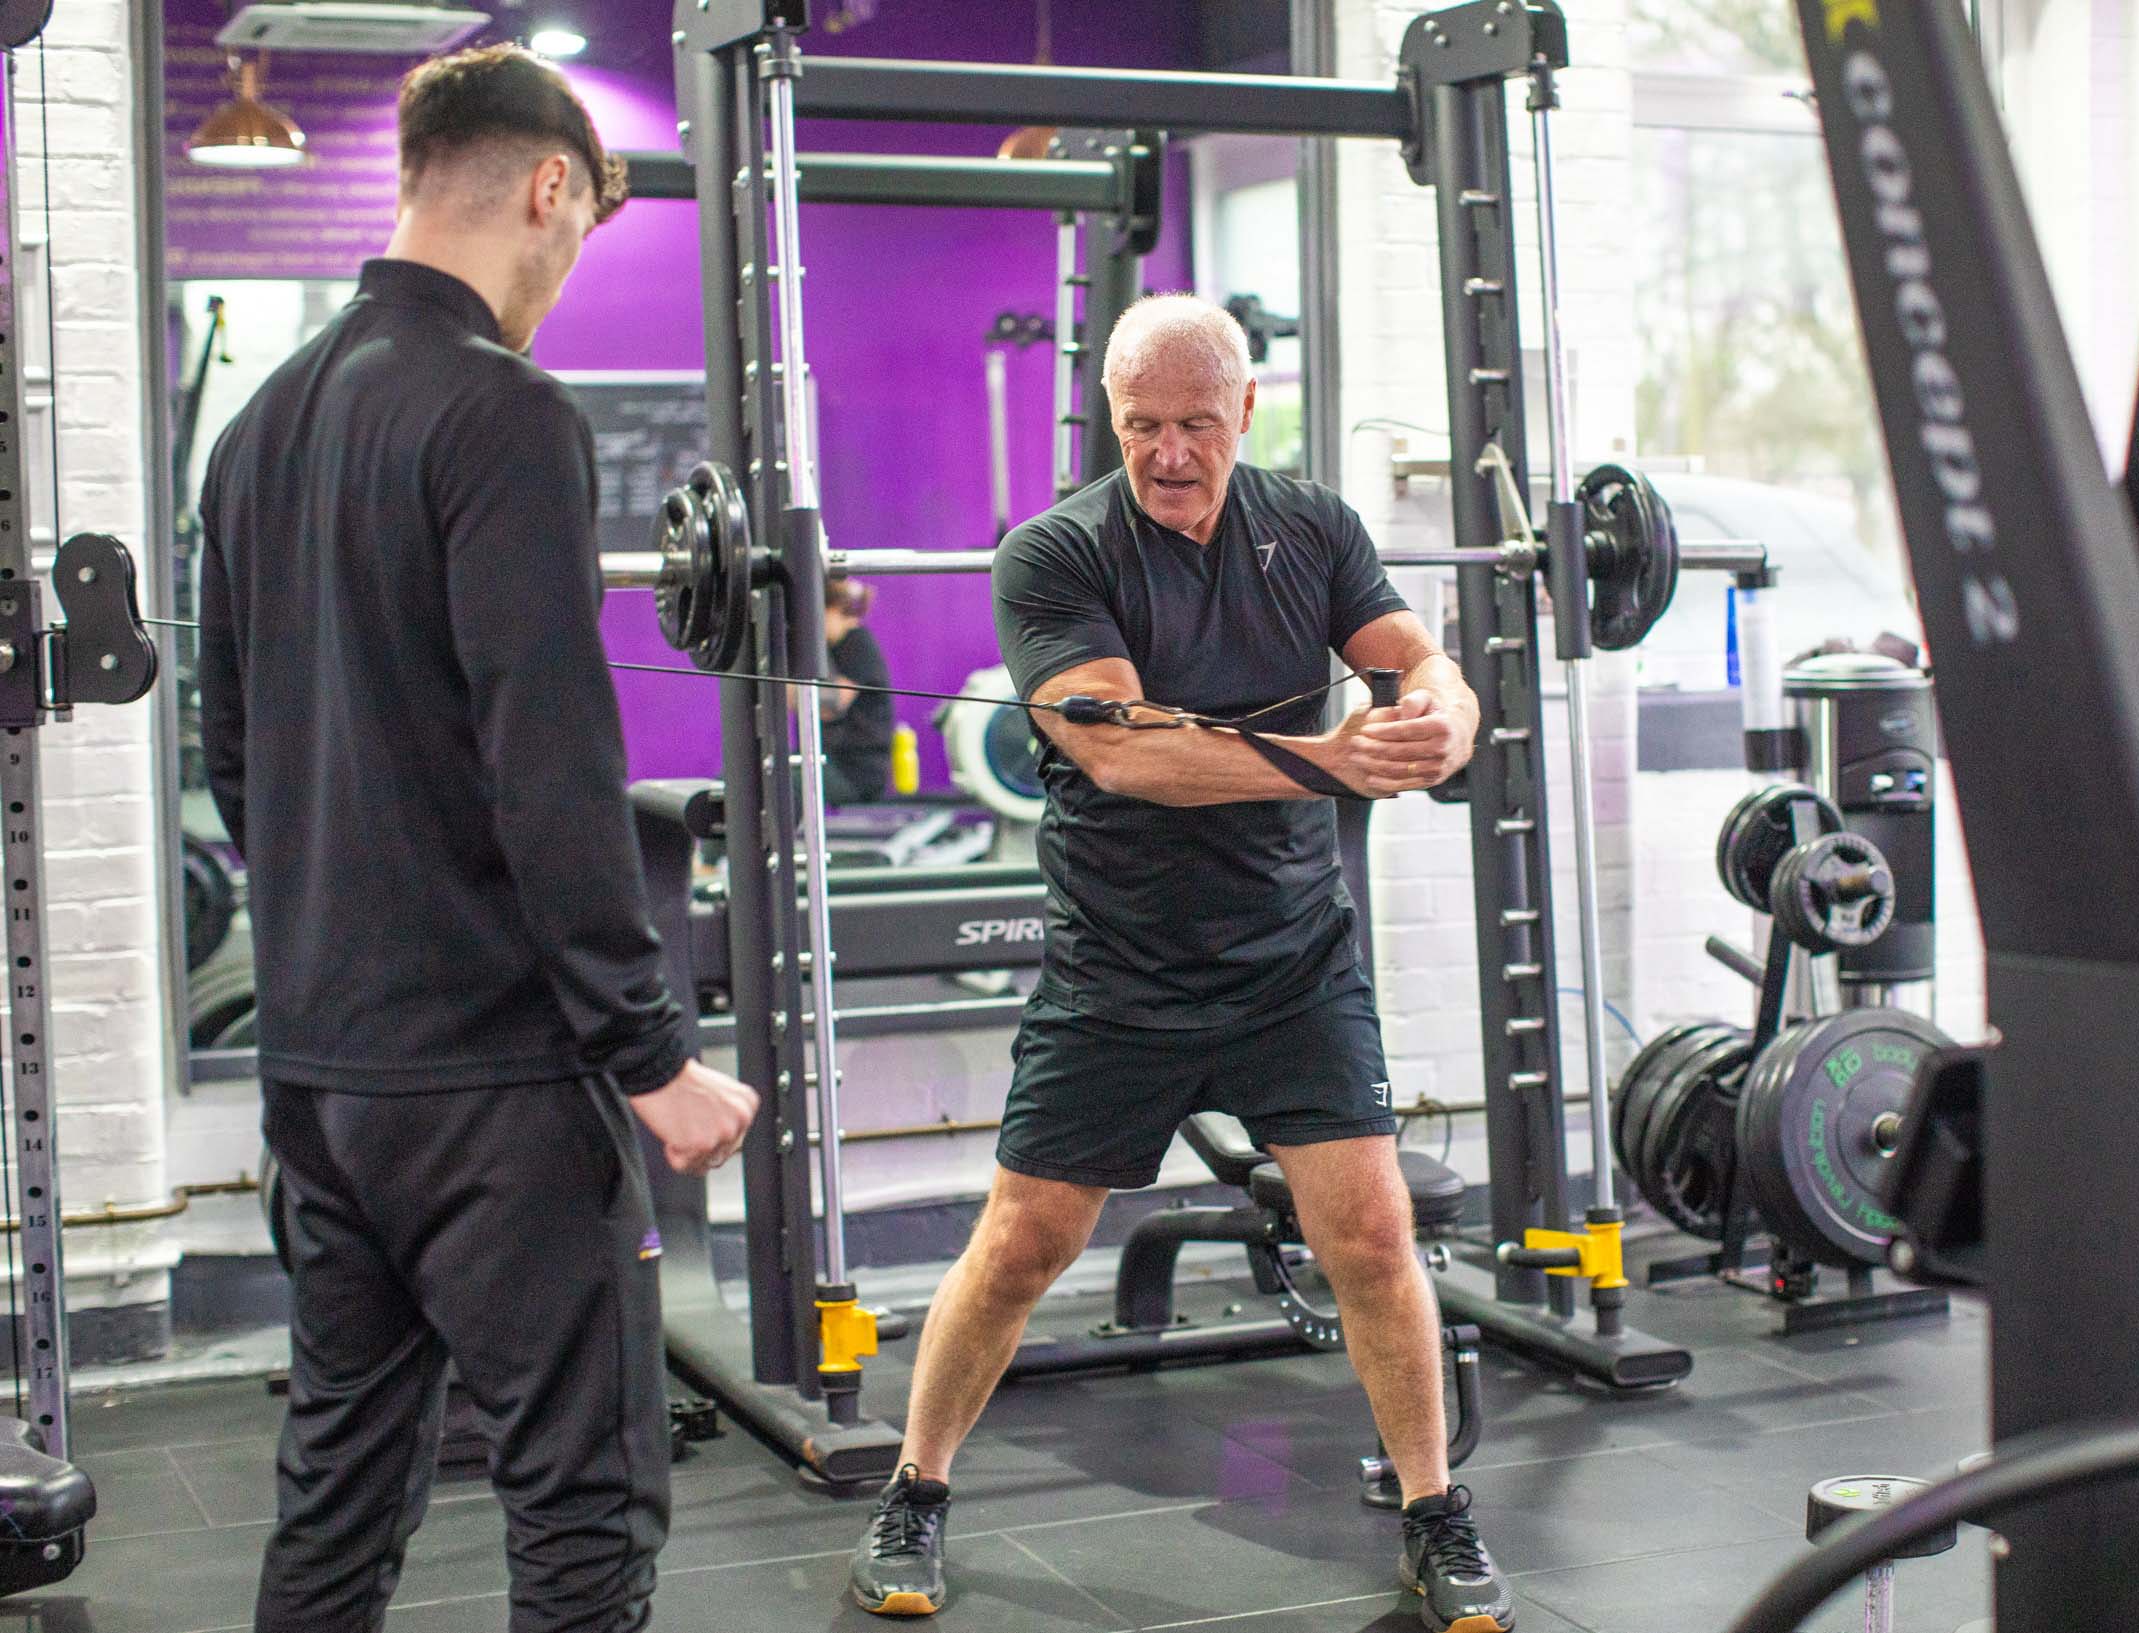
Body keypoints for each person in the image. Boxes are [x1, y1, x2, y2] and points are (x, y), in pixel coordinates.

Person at [196, 45, 760, 1633]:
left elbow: (232, 752)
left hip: (322, 1074)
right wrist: (648, 1055)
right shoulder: (503, 411)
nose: (566, 275)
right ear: (546, 187)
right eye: (577, 234)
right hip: (497, 1090)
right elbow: (549, 766)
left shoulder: (261, 427)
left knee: (342, 1484)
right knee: (582, 1506)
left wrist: (341, 916)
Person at [850, 294, 1513, 1633]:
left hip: (1292, 959)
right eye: (1142, 425)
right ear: (1111, 417)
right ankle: (914, 1490)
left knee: (1374, 1238)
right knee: (1027, 1241)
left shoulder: (1312, 526)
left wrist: (1442, 715)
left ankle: (1436, 1512)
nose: (1166, 453)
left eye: (1194, 425)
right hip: (1120, 968)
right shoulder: (1053, 554)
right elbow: (1123, 749)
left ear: (1245, 413)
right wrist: (1333, 759)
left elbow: (1419, 661)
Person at [820, 577, 896, 804]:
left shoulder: (857, 643)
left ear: (832, 609)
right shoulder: (833, 649)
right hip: (835, 763)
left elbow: (829, 707)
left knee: (777, 786)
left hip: (856, 773)